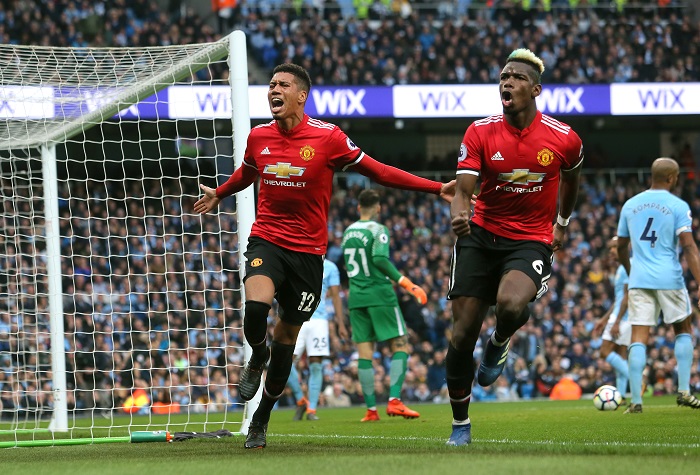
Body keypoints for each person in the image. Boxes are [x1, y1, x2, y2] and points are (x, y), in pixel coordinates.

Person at [193, 63, 454, 449]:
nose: (273, 90)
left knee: (287, 340)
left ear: (301, 95)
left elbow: (378, 171)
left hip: (309, 255)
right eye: (271, 84)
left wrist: (436, 188)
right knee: (255, 308)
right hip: (267, 240)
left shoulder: (328, 138)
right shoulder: (258, 136)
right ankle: (256, 356)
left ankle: (262, 418)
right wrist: (220, 191)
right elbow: (247, 173)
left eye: (282, 84)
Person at [445, 48, 584, 446]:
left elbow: (572, 182)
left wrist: (562, 223)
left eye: (517, 77)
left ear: (535, 89)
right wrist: (459, 214)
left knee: (509, 304)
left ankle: (500, 342)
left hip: (530, 239)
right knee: (461, 335)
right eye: (503, 76)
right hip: (480, 236)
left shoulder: (563, 138)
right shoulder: (480, 131)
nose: (507, 82)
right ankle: (460, 424)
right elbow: (464, 190)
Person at [616, 157, 700, 414]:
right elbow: (688, 245)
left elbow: (620, 246)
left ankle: (637, 402)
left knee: (638, 338)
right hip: (669, 278)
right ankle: (684, 391)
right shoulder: (678, 205)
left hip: (640, 279)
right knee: (683, 328)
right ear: (673, 178)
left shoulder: (630, 205)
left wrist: (631, 272)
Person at [341, 189, 426, 422]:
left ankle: (371, 410)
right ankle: (395, 401)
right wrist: (406, 283)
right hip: (379, 295)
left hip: (356, 297)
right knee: (400, 345)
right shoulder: (378, 230)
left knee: (365, 353)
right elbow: (379, 259)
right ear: (378, 208)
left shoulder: (348, 232)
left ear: (359, 208)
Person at [287, 258, 348, 421]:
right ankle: (301, 399)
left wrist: (340, 323)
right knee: (284, 361)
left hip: (319, 320)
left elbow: (336, 296)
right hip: (297, 318)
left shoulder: (330, 267)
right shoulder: (298, 261)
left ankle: (311, 410)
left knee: (316, 364)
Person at [592, 236, 630, 398]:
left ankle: (638, 380)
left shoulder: (627, 268)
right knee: (620, 356)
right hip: (623, 316)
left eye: (614, 247)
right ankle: (620, 396)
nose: (611, 252)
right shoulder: (621, 268)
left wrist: (617, 321)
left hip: (623, 317)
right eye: (610, 249)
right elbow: (619, 298)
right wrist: (604, 319)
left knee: (604, 352)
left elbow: (628, 296)